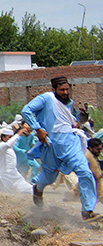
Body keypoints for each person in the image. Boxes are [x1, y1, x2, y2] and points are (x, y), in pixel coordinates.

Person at [22, 76, 99, 221]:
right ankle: (38, 188)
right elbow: (26, 110)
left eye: (66, 90)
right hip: (51, 144)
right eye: (61, 90)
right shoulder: (46, 98)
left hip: (71, 143)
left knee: (85, 172)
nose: (65, 92)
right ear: (53, 89)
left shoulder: (68, 103)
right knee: (49, 177)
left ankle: (87, 211)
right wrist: (37, 129)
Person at [0, 126, 34, 194]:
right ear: (3, 137)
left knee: (28, 189)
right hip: (6, 174)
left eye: (11, 137)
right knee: (6, 192)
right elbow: (9, 144)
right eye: (9, 137)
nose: (11, 139)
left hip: (13, 173)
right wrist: (18, 134)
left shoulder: (10, 148)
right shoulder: (1, 146)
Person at [85, 138, 103, 203]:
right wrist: (93, 173)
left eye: (101, 149)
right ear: (90, 148)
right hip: (88, 186)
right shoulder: (86, 155)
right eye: (98, 149)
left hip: (97, 187)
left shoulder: (93, 156)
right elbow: (82, 168)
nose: (100, 151)